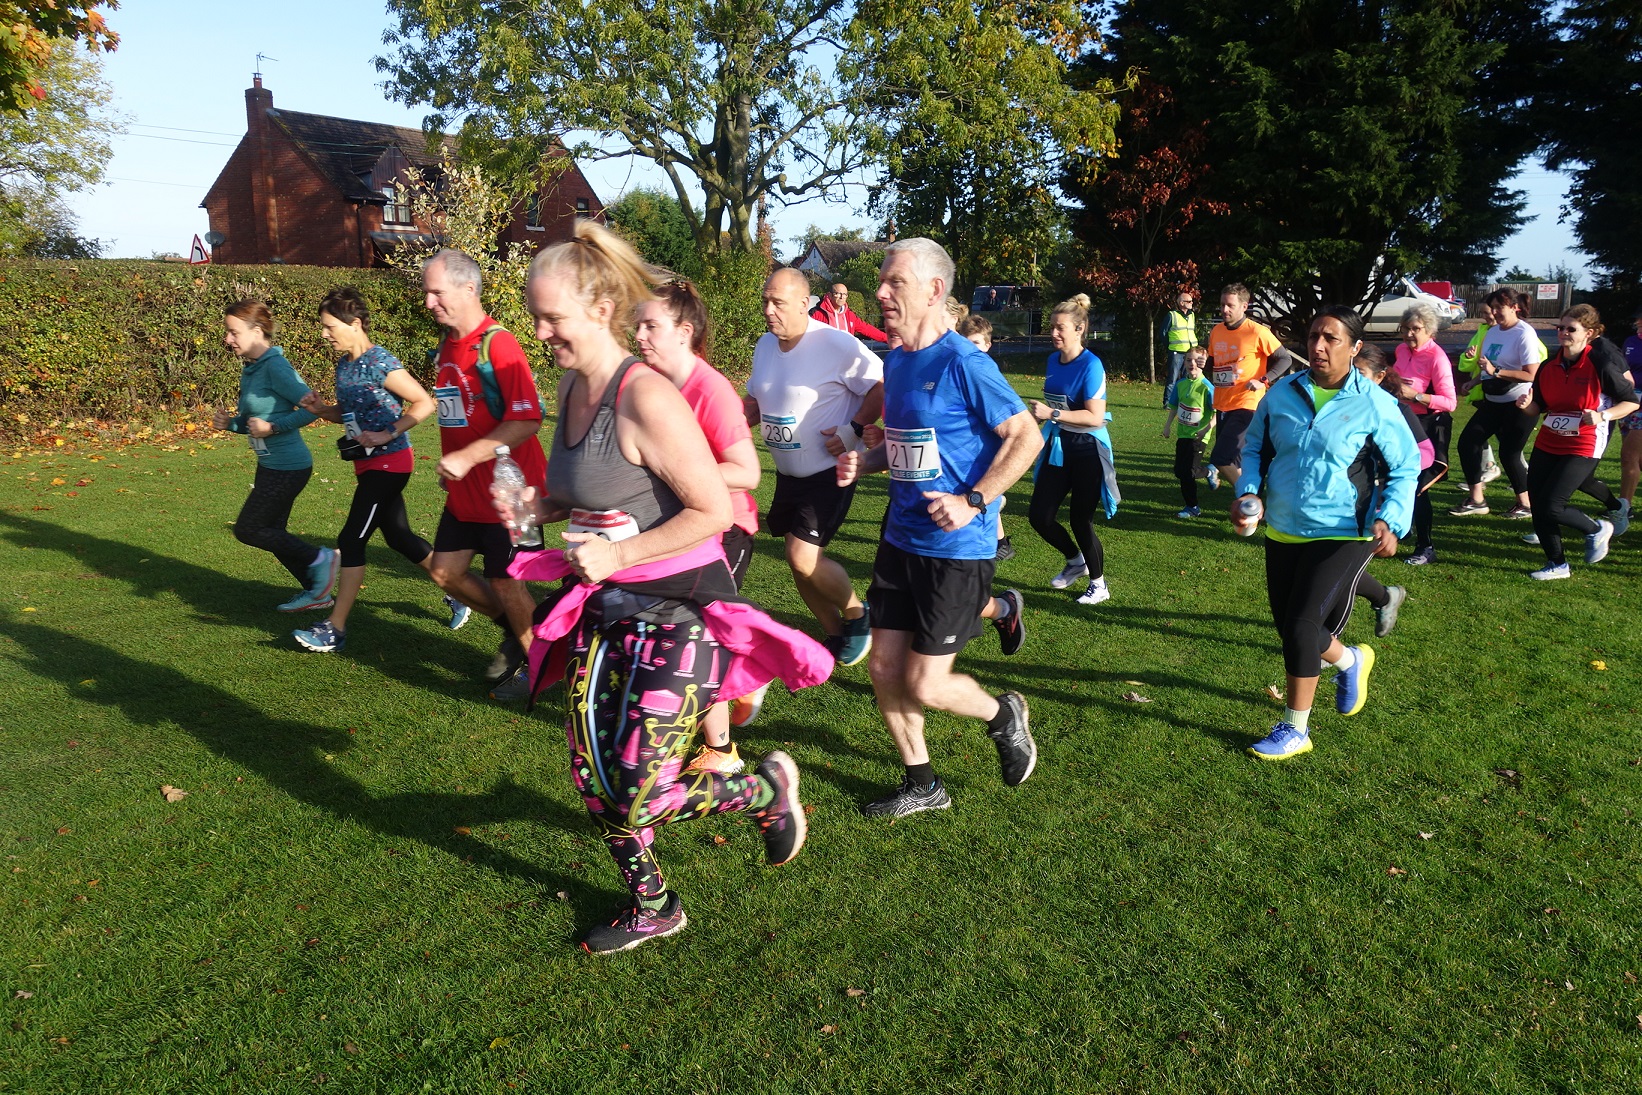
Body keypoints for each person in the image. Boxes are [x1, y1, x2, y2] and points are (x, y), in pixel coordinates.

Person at [497, 221, 829, 954]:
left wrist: (619, 554)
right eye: (535, 315)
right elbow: (586, 492)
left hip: (679, 610)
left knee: (643, 787)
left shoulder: (645, 397)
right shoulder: (573, 385)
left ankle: (764, 790)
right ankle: (654, 905)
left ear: (599, 308)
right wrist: (539, 508)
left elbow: (713, 508)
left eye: (551, 316)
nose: (540, 330)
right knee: (592, 777)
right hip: (607, 611)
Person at [836, 237, 1043, 817]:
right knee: (882, 665)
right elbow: (908, 451)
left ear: (934, 290)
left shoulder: (965, 363)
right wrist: (866, 462)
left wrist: (974, 499)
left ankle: (1004, 714)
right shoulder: (897, 360)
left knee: (926, 683)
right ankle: (923, 782)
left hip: (957, 548)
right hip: (900, 538)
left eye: (894, 282)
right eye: (881, 280)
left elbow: (1027, 437)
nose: (880, 291)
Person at [1231, 307, 1417, 761]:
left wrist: (1391, 519)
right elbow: (1254, 446)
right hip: (1284, 527)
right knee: (1292, 629)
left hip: (1344, 531)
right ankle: (1352, 661)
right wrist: (1248, 492)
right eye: (1314, 336)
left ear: (1354, 348)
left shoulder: (1374, 403)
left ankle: (1296, 729)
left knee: (1300, 626)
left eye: (1331, 339)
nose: (1318, 346)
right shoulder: (1283, 393)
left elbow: (1407, 466)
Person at [633, 280, 765, 775]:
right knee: (680, 629)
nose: (640, 334)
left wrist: (677, 472)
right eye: (638, 325)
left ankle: (724, 751)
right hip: (683, 526)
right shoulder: (649, 384)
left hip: (726, 528)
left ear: (684, 332)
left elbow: (746, 471)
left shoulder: (710, 391)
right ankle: (743, 676)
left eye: (651, 326)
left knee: (699, 631)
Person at [420, 249, 549, 697]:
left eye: (437, 292)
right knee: (444, 572)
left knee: (506, 583)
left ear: (468, 289)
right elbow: (457, 416)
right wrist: (452, 464)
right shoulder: (446, 347)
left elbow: (527, 418)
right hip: (465, 489)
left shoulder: (498, 343)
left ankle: (542, 668)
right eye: (427, 293)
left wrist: (468, 457)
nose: (429, 302)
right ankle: (519, 635)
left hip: (507, 493)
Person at [287, 288, 440, 653]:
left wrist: (388, 432)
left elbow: (423, 403)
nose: (324, 333)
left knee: (352, 540)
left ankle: (334, 628)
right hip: (366, 463)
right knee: (400, 539)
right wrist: (323, 410)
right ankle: (458, 589)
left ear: (354, 324)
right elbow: (350, 412)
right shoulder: (345, 364)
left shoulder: (379, 361)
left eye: (329, 326)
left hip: (390, 463)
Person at [745, 267, 883, 665]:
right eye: (765, 302)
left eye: (778, 303)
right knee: (797, 563)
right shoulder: (764, 345)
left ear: (806, 304)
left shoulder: (838, 345)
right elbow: (757, 402)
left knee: (802, 556)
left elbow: (880, 386)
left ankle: (858, 613)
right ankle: (834, 633)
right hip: (788, 475)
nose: (769, 311)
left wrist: (854, 428)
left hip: (829, 470)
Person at [209, 299, 336, 611]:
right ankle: (317, 593)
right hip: (269, 465)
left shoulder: (277, 367)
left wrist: (274, 428)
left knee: (249, 529)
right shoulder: (252, 369)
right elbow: (256, 425)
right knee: (272, 532)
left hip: (289, 466)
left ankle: (322, 558)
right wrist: (232, 425)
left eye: (233, 332)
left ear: (256, 331)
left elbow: (311, 411)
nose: (228, 339)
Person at [1515, 305, 1638, 580]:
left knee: (1552, 505)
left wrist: (1602, 415)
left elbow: (1631, 401)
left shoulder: (1601, 364)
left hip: (1584, 443)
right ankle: (1556, 564)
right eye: (1560, 328)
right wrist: (1526, 405)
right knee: (1538, 503)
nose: (1563, 333)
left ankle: (1596, 529)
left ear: (1589, 334)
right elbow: (1540, 407)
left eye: (1571, 329)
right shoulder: (1549, 366)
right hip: (1549, 439)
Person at [1028, 293, 1121, 605]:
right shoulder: (1053, 360)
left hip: (1087, 449)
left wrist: (1052, 414)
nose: (1053, 333)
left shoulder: (1091, 366)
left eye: (1060, 328)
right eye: (1052, 326)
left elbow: (1095, 417)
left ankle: (1099, 585)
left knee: (1081, 519)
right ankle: (1075, 560)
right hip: (1059, 445)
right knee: (1039, 516)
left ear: (1080, 329)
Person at [1452, 289, 1543, 519]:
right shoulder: (1492, 332)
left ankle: (1526, 504)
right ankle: (1477, 500)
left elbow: (1531, 374)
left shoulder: (1524, 333)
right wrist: (1474, 381)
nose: (1493, 313)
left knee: (1509, 453)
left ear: (1515, 307)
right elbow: (1488, 366)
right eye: (1491, 308)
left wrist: (1497, 372)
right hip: (1493, 400)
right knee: (1468, 443)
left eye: (1498, 308)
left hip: (1518, 403)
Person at [1349, 342, 1420, 637]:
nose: (1352, 378)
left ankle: (1327, 646)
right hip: (1333, 505)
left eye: (1360, 373)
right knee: (1338, 574)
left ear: (1379, 376)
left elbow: (1421, 455)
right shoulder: (1341, 404)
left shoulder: (1393, 409)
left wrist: (1390, 509)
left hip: (1370, 506)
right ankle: (1386, 597)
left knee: (1339, 576)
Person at [1387, 303, 1458, 566]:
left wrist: (1416, 396)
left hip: (1430, 426)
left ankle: (1425, 546)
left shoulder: (1437, 357)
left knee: (1418, 487)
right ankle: (1400, 530)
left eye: (1415, 329)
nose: (1409, 335)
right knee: (1397, 480)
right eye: (1406, 329)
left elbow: (1450, 402)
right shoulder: (1402, 350)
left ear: (1429, 331)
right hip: (1403, 421)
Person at [1207, 282, 1294, 489]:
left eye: (1230, 305)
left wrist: (1263, 379)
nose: (1224, 310)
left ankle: (1249, 500)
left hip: (1247, 404)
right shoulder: (1216, 331)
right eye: (1222, 305)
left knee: (1221, 457)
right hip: (1222, 404)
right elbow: (1213, 363)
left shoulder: (1257, 332)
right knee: (1237, 462)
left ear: (1244, 306)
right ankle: (1250, 507)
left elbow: (1285, 359)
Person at [957, 313, 1015, 561]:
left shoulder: (986, 372)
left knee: (982, 493)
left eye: (977, 343)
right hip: (971, 446)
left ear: (988, 346)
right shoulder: (962, 369)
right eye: (967, 343)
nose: (972, 349)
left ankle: (998, 543)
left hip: (986, 446)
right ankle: (1001, 543)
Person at [1162, 345, 1219, 517]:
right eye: (1188, 360)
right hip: (1183, 434)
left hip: (1199, 436)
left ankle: (1193, 506)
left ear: (1204, 363)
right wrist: (1167, 426)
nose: (1192, 363)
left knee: (1190, 471)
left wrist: (1206, 429)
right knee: (1180, 472)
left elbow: (1218, 413)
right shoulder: (1180, 384)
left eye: (1197, 360)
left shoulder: (1207, 387)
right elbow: (1174, 407)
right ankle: (1207, 475)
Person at [811, 281, 888, 343]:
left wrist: (888, 339)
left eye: (844, 294)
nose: (842, 297)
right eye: (838, 293)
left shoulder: (849, 315)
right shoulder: (817, 314)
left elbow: (867, 329)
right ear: (830, 295)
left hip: (845, 358)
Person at [1620, 310, 1642, 521]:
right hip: (1627, 404)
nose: (1638, 324)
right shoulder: (1630, 341)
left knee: (1628, 457)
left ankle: (1623, 508)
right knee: (1638, 460)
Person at [1161, 289, 1197, 402]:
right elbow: (1163, 333)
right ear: (1181, 303)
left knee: (1188, 378)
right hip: (1176, 351)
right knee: (1172, 378)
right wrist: (1169, 346)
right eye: (1189, 301)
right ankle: (1167, 402)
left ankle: (1184, 401)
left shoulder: (1192, 315)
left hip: (1190, 352)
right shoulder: (1172, 315)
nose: (1192, 303)